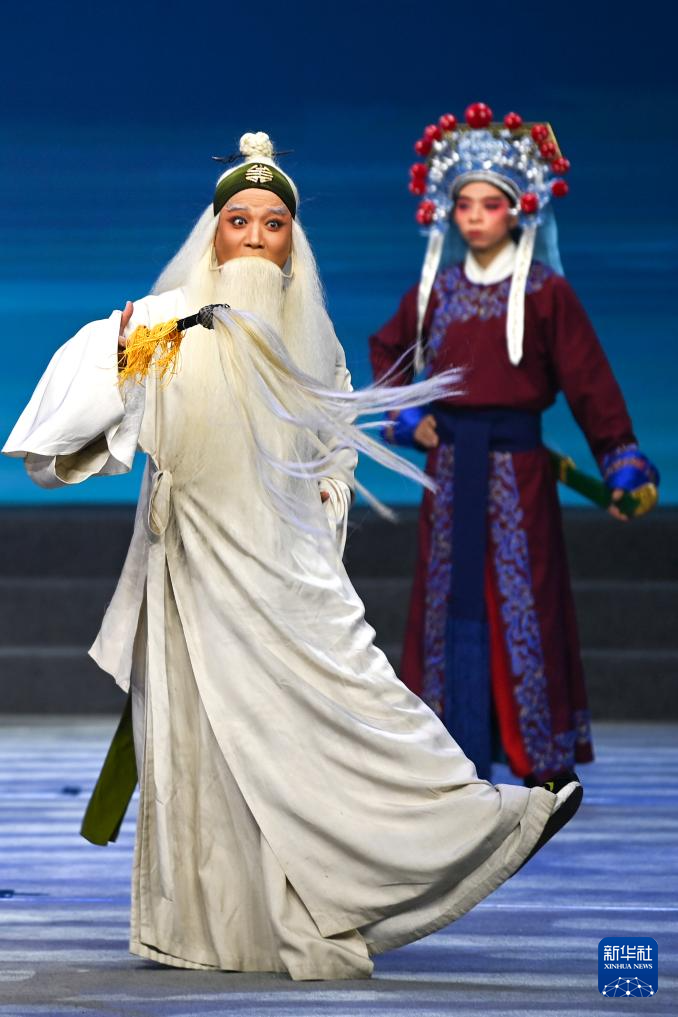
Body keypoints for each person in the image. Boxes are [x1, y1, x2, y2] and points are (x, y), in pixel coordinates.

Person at [4, 131, 581, 981]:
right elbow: (55, 452)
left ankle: (476, 820)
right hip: (194, 581)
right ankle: (215, 929)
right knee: (209, 756)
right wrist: (116, 355)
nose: (254, 237)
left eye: (273, 224)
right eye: (238, 220)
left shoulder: (312, 342)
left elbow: (335, 445)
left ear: (291, 243)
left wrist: (324, 502)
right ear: (214, 234)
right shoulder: (164, 326)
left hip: (289, 575)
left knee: (355, 707)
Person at [369, 104, 659, 788]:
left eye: (490, 204)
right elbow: (389, 351)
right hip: (450, 471)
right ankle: (446, 756)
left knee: (525, 606)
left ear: (519, 209)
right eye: (463, 204)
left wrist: (619, 457)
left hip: (518, 474)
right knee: (445, 607)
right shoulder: (436, 290)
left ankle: (539, 755)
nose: (474, 218)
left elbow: (589, 382)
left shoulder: (546, 293)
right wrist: (409, 417)